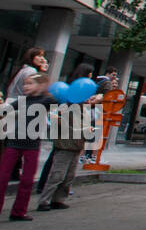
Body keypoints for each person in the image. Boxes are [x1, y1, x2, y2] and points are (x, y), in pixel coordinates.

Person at [35, 64, 104, 212]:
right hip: (65, 144)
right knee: (57, 174)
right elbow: (60, 122)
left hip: (76, 144)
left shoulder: (82, 107)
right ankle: (45, 200)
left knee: (69, 176)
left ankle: (58, 199)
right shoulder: (67, 105)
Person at [1, 72, 53, 220]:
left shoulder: (47, 100)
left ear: (41, 85)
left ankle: (18, 212)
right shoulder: (21, 100)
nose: (25, 86)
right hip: (14, 142)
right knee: (2, 177)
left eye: (30, 83)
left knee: (27, 180)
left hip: (32, 145)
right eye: (25, 83)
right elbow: (4, 111)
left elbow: (65, 106)